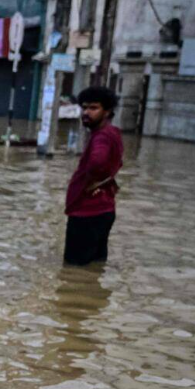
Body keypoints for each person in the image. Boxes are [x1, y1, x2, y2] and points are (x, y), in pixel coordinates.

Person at [64, 86, 124, 266]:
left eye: (93, 108)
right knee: (94, 268)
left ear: (107, 111)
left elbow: (97, 163)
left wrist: (91, 182)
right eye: (84, 107)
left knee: (74, 270)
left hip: (88, 212)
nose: (86, 112)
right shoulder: (111, 133)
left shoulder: (102, 137)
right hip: (103, 210)